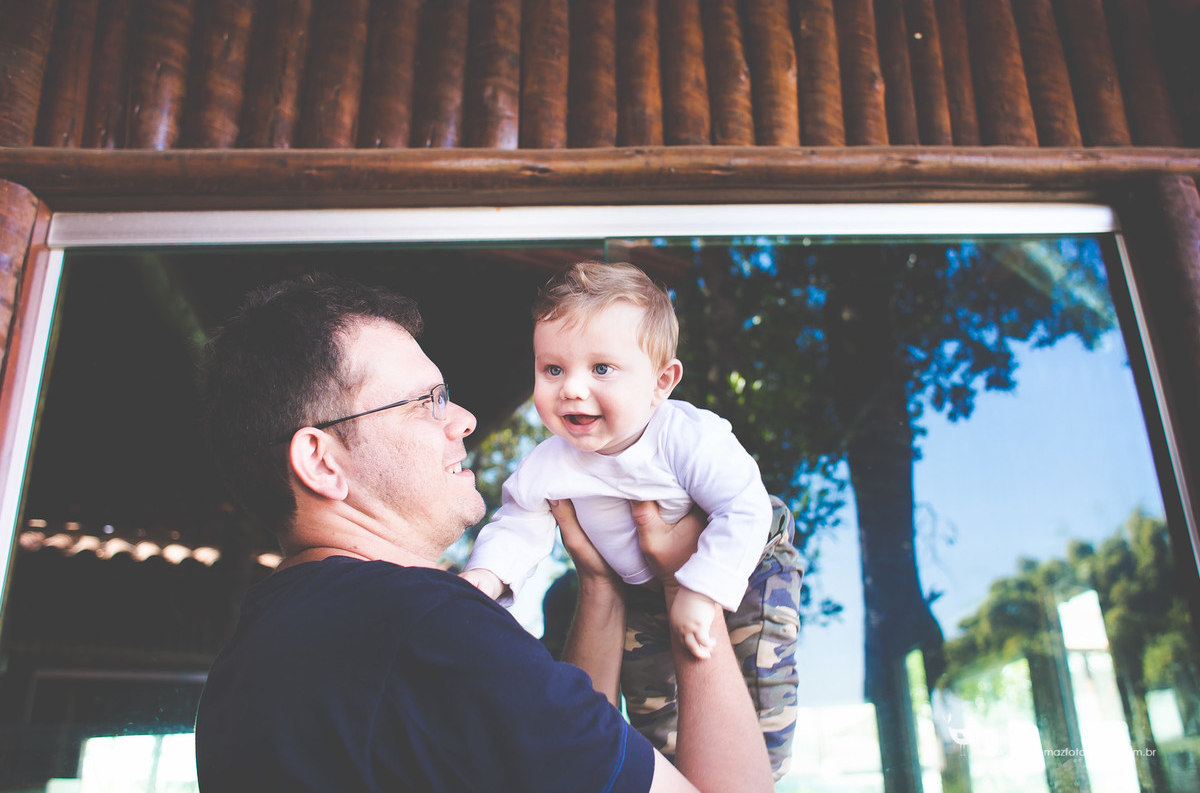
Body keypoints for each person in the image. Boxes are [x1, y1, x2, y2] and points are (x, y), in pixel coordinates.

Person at [193, 275, 773, 792]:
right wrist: (683, 588)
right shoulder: (435, 630)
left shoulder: (242, 672)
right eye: (427, 402)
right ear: (322, 462)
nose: (464, 418)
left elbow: (566, 760)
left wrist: (599, 587)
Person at [461, 262, 802, 777]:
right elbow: (518, 522)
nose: (571, 389)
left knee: (761, 695)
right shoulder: (549, 462)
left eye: (601, 369)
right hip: (640, 591)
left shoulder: (686, 438)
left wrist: (702, 589)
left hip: (746, 565)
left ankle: (763, 770)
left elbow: (744, 507)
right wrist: (488, 576)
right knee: (652, 719)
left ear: (661, 382)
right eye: (553, 369)